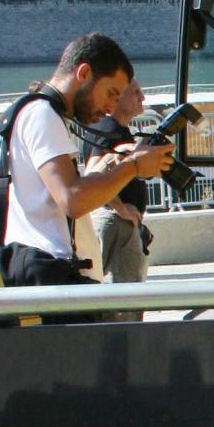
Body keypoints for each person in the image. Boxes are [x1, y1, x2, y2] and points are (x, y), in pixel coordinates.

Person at [0, 33, 170, 289]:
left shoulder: (36, 111)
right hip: (48, 270)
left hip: (40, 267)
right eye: (111, 93)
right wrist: (133, 166)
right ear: (84, 73)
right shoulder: (43, 115)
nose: (111, 107)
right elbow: (72, 199)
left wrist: (107, 170)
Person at [84, 77, 152, 285]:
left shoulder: (114, 128)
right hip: (115, 223)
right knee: (122, 298)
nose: (142, 97)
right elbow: (91, 174)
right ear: (117, 97)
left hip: (117, 223)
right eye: (135, 92)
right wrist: (120, 207)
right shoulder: (109, 128)